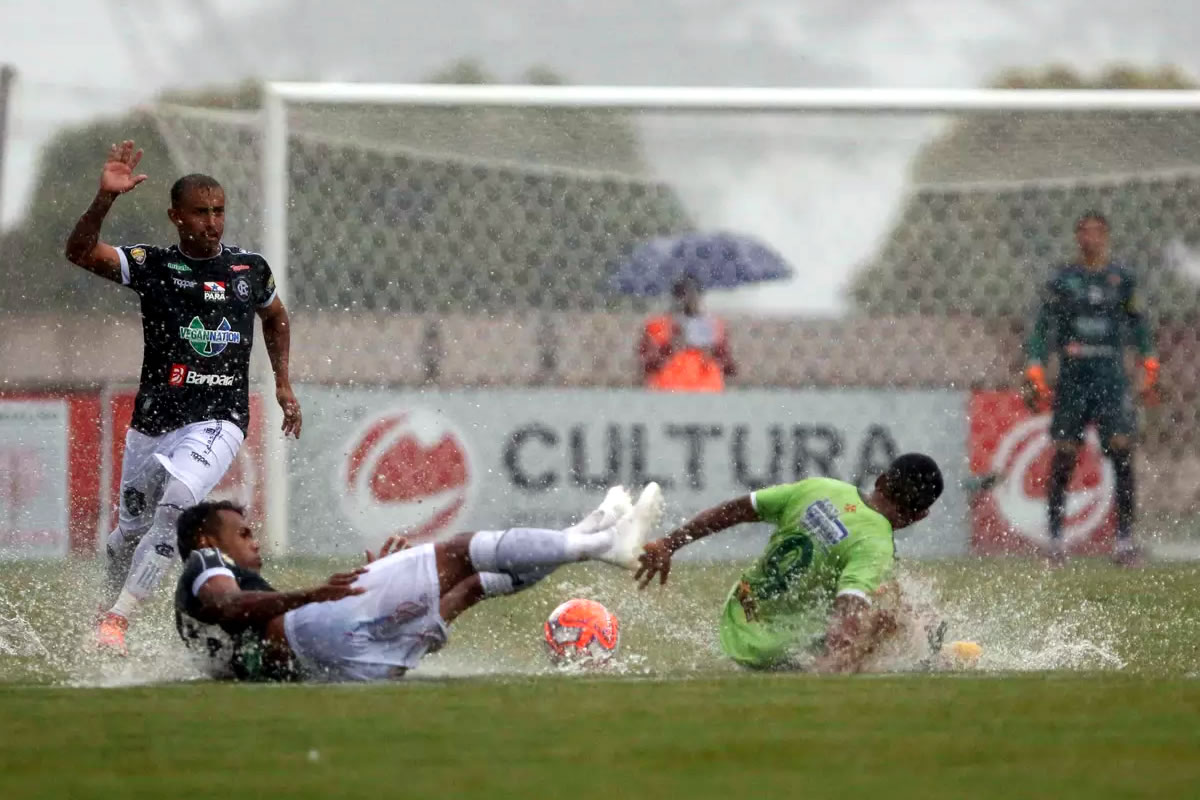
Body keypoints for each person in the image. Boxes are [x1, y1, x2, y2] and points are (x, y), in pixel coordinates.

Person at [64, 140, 301, 654]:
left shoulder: (248, 270)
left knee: (177, 506)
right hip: (153, 421)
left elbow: (275, 315)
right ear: (176, 216)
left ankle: (117, 624)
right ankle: (102, 614)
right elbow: (80, 252)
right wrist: (105, 199)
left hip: (219, 418)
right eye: (201, 212)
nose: (212, 223)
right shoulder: (153, 265)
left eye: (219, 212)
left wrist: (281, 382)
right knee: (129, 531)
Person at [173, 484, 663, 682]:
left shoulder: (208, 621)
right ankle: (597, 545)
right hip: (315, 638)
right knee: (459, 552)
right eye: (242, 533)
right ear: (204, 537)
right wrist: (311, 594)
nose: (252, 541)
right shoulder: (204, 564)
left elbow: (245, 633)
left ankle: (583, 534)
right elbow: (230, 607)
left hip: (332, 666)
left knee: (471, 585)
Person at [635, 454, 944, 674]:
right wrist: (833, 665)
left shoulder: (821, 488)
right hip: (776, 651)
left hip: (738, 611)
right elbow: (849, 608)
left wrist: (668, 544)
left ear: (880, 480)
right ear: (919, 516)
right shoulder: (876, 545)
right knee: (901, 616)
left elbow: (735, 510)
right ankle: (937, 659)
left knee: (884, 593)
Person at [1023, 212, 1158, 567]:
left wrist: (1149, 360)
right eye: (1084, 231)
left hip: (1111, 376)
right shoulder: (1063, 279)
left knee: (1122, 451)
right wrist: (1035, 362)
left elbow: (1139, 322)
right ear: (1076, 236)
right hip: (1073, 376)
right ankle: (1054, 542)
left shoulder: (1122, 279)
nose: (1090, 237)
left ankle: (1125, 542)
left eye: (1097, 231)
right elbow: (1042, 325)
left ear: (1107, 235)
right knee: (1065, 453)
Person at [639, 275, 736, 391]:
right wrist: (671, 345)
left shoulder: (714, 326)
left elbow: (730, 368)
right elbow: (646, 366)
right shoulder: (657, 326)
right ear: (676, 298)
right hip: (669, 387)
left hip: (706, 387)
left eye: (693, 295)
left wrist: (713, 351)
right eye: (684, 296)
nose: (689, 301)